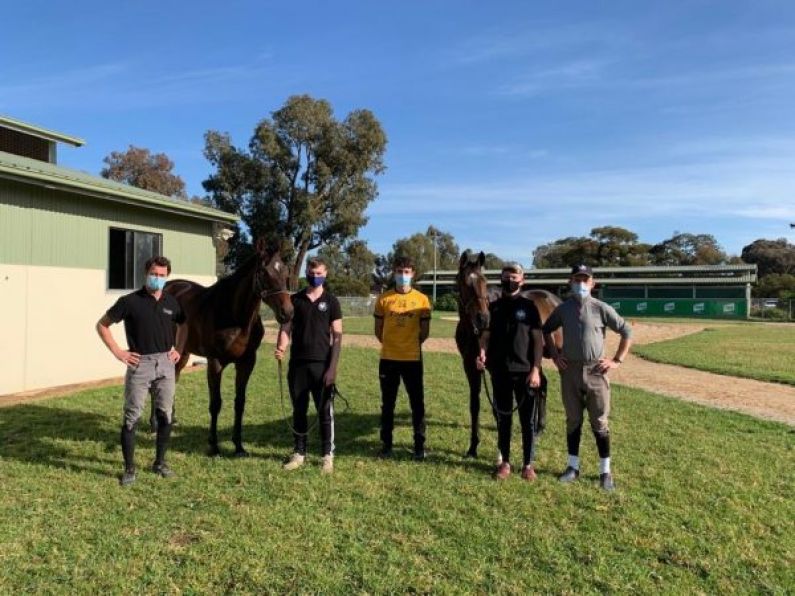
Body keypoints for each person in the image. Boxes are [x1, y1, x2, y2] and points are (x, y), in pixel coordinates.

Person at [96, 256, 185, 486]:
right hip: (140, 363)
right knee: (131, 417)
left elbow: (184, 325)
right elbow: (102, 325)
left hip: (166, 363)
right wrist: (118, 352)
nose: (158, 278)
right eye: (154, 274)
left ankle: (160, 463)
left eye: (162, 275)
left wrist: (179, 349)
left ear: (167, 277)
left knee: (165, 415)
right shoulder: (129, 302)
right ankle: (129, 469)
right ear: (146, 274)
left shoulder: (172, 303)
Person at [542, 264, 632, 491]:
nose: (581, 283)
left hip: (596, 371)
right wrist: (554, 355)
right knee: (573, 420)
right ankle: (573, 467)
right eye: (576, 279)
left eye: (585, 279)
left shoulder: (601, 308)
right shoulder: (563, 309)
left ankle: (605, 471)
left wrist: (616, 360)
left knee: (600, 423)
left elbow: (626, 331)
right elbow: (546, 330)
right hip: (570, 371)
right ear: (570, 282)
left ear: (593, 283)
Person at [275, 257, 343, 474]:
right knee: (299, 411)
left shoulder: (331, 302)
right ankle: (299, 453)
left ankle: (327, 456)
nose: (315, 276)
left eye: (320, 273)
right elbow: (286, 327)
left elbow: (338, 337)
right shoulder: (295, 300)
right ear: (307, 272)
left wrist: (332, 368)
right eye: (312, 273)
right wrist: (282, 347)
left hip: (322, 366)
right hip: (298, 366)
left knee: (324, 412)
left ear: (326, 273)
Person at [476, 263, 543, 481]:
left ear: (522, 280)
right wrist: (482, 353)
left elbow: (537, 341)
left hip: (525, 372)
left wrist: (536, 370)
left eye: (514, 276)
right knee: (503, 419)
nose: (509, 280)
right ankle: (505, 462)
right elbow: (485, 335)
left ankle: (527, 464)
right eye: (506, 276)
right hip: (499, 370)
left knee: (527, 421)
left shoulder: (530, 307)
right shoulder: (494, 307)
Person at [374, 256, 432, 460]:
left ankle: (419, 446)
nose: (402, 275)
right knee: (387, 404)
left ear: (413, 274)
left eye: (407, 272)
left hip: (412, 359)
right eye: (399, 271)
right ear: (393, 272)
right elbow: (378, 331)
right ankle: (386, 445)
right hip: (388, 359)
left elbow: (424, 333)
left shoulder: (423, 300)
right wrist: (392, 345)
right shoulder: (383, 299)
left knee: (417, 404)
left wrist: (409, 345)